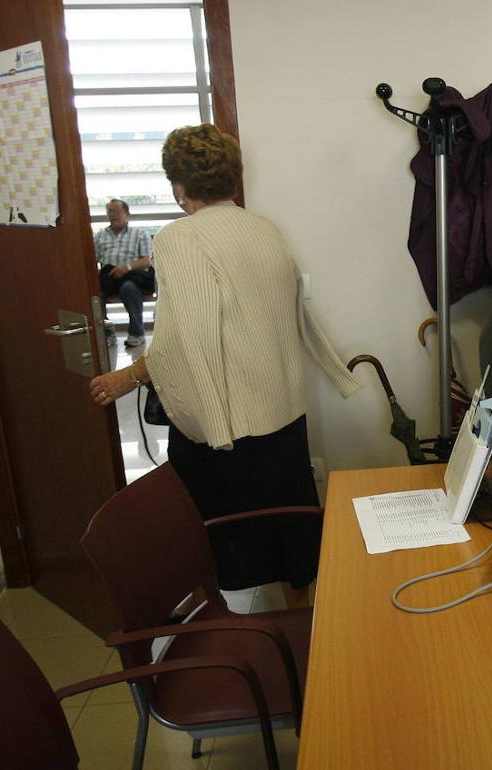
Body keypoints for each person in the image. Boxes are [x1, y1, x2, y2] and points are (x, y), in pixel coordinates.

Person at [87, 124, 361, 607]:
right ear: (232, 179)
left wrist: (126, 377)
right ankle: (306, 631)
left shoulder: (180, 239)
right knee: (290, 529)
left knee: (213, 528)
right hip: (280, 409)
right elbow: (291, 311)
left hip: (231, 424)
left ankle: (221, 623)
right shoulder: (263, 228)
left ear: (178, 186)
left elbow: (182, 340)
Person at [94, 198, 155, 348]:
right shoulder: (100, 236)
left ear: (127, 214)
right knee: (95, 294)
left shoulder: (140, 234)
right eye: (110, 211)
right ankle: (107, 332)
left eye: (118, 211)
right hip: (109, 277)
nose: (113, 215)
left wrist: (126, 267)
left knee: (129, 289)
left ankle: (136, 333)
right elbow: (92, 261)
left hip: (133, 275)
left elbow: (147, 261)